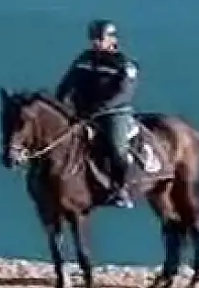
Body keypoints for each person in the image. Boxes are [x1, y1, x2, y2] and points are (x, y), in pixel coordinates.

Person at [55, 19, 140, 208]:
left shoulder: (125, 64)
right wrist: (60, 103)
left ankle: (121, 188)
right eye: (93, 39)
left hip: (113, 113)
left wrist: (100, 109)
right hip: (83, 112)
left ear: (112, 39)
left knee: (117, 147)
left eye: (99, 39)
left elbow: (124, 93)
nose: (95, 43)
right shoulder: (83, 59)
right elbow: (67, 84)